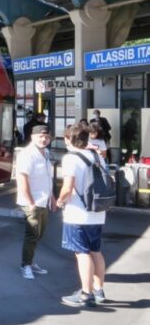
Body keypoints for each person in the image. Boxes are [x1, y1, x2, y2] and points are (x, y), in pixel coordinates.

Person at [55, 123, 108, 307]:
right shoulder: (97, 156)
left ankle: (86, 294)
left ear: (68, 139)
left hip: (77, 213)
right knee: (96, 251)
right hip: (98, 211)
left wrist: (59, 202)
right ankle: (99, 290)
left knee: (82, 253)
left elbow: (67, 188)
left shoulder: (70, 159)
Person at [15, 124, 55, 280]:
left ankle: (30, 262)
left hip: (43, 199)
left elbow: (47, 177)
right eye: (41, 136)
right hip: (31, 201)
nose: (44, 139)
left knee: (39, 233)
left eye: (47, 137)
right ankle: (25, 265)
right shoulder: (27, 154)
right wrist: (30, 201)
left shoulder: (45, 153)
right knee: (32, 234)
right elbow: (22, 178)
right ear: (33, 137)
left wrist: (52, 196)